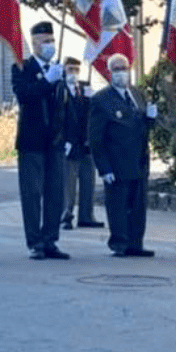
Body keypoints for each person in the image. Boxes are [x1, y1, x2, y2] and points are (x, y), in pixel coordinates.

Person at [88, 54, 161, 257]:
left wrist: (151, 118)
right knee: (118, 206)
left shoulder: (137, 94)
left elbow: (142, 127)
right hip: (117, 162)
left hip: (139, 160)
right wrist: (104, 168)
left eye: (124, 68)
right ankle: (119, 243)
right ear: (110, 72)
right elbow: (96, 138)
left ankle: (136, 243)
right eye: (117, 69)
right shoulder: (101, 100)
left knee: (138, 206)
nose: (122, 72)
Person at [14, 21, 70, 259]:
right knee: (32, 194)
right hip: (32, 141)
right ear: (34, 42)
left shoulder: (59, 69)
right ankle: (34, 242)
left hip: (55, 141)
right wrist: (47, 81)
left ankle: (50, 240)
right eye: (45, 41)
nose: (49, 45)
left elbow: (67, 106)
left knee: (55, 193)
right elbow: (24, 95)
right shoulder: (21, 67)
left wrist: (69, 137)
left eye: (51, 40)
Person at [60, 57, 102, 230]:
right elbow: (58, 116)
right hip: (69, 141)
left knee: (88, 180)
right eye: (70, 69)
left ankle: (86, 215)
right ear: (63, 69)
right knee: (68, 183)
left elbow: (91, 115)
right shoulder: (59, 88)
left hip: (85, 142)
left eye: (76, 69)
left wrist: (90, 100)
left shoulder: (84, 88)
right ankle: (66, 215)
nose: (73, 73)